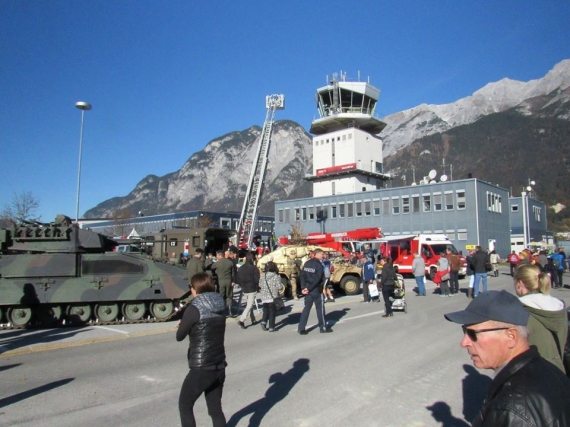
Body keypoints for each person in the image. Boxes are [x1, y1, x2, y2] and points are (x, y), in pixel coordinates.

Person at [444, 290, 570, 426]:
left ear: (511, 337)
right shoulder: (549, 370)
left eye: (472, 333)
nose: (464, 343)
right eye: (464, 331)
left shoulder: (511, 408)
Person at [176, 273, 227, 427]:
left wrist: (183, 323)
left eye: (191, 287)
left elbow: (180, 336)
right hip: (219, 364)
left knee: (185, 405)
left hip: (201, 367)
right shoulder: (221, 303)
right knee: (215, 410)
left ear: (196, 289)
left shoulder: (194, 308)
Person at [514, 263, 568, 373]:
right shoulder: (559, 307)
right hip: (559, 370)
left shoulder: (520, 311)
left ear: (520, 284)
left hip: (530, 376)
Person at [298, 248, 331, 334]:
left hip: (307, 290)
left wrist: (303, 288)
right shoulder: (319, 265)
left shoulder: (307, 263)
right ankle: (322, 327)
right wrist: (308, 288)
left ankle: (301, 328)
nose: (323, 256)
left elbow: (302, 276)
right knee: (320, 309)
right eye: (322, 254)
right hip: (316, 289)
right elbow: (318, 279)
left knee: (306, 309)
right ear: (317, 254)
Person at [235, 252, 260, 329]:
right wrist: (256, 286)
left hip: (244, 288)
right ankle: (241, 320)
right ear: (252, 259)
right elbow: (257, 279)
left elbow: (237, 279)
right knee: (249, 305)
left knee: (249, 304)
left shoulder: (241, 268)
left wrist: (241, 284)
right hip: (252, 288)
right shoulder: (254, 268)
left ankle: (253, 319)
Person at [211, 250, 236, 317]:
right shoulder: (230, 262)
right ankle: (230, 311)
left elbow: (211, 267)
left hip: (220, 281)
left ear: (220, 255)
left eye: (217, 255)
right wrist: (233, 281)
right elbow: (233, 273)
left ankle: (221, 311)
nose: (216, 257)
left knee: (221, 296)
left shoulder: (217, 263)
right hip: (229, 281)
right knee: (229, 296)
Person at [258, 261, 282, 332]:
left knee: (265, 310)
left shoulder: (263, 275)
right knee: (272, 312)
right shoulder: (276, 276)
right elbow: (279, 286)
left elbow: (260, 285)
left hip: (264, 296)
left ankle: (264, 321)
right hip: (272, 296)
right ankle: (271, 327)